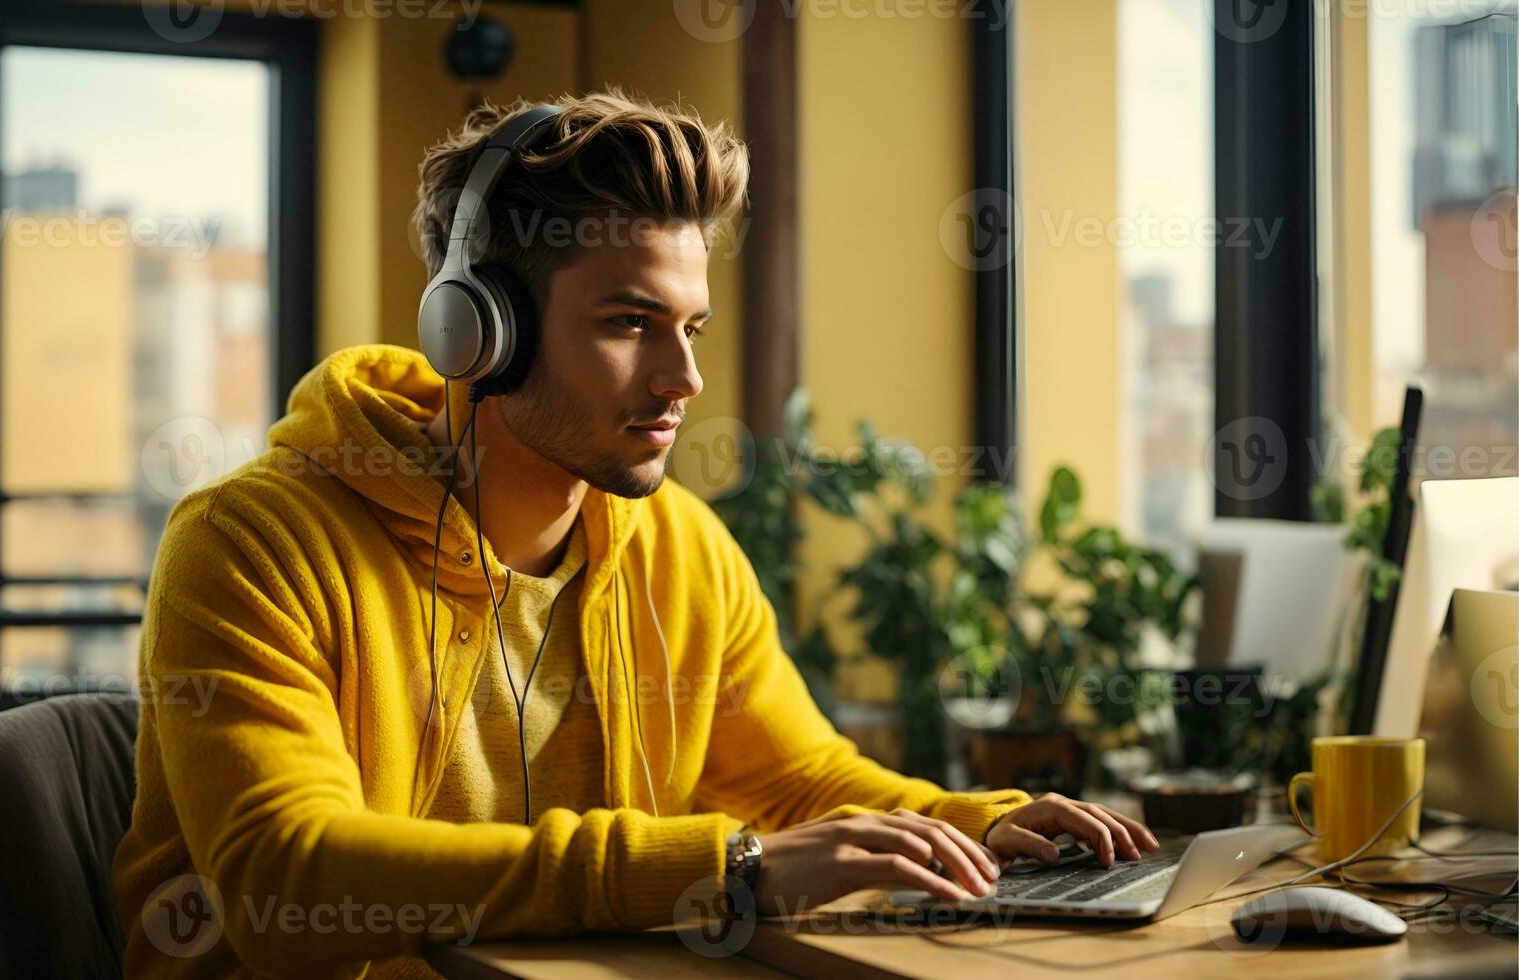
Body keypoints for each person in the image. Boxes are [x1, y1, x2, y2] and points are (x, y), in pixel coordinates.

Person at [111, 87, 1158, 979]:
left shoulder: (678, 546)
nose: (682, 378)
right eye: (627, 324)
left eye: (688, 327)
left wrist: (972, 821)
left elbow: (798, 782)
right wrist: (722, 868)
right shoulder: (252, 541)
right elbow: (284, 878)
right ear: (478, 330)